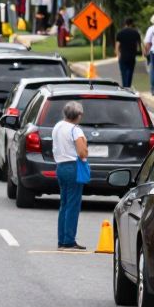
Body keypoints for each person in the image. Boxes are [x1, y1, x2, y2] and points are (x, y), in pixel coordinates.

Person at [52, 101, 89, 251]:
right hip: (73, 166)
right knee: (73, 204)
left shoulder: (58, 126)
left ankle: (62, 239)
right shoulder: (76, 130)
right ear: (78, 115)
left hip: (60, 166)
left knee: (64, 204)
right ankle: (69, 240)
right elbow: (82, 152)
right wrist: (85, 145)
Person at [115, 19, 141, 88]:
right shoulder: (136, 33)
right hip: (132, 56)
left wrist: (118, 55)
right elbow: (139, 45)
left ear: (125, 24)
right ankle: (128, 86)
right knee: (130, 72)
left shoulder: (120, 33)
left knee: (124, 73)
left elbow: (117, 46)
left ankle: (125, 87)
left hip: (123, 56)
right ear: (132, 24)